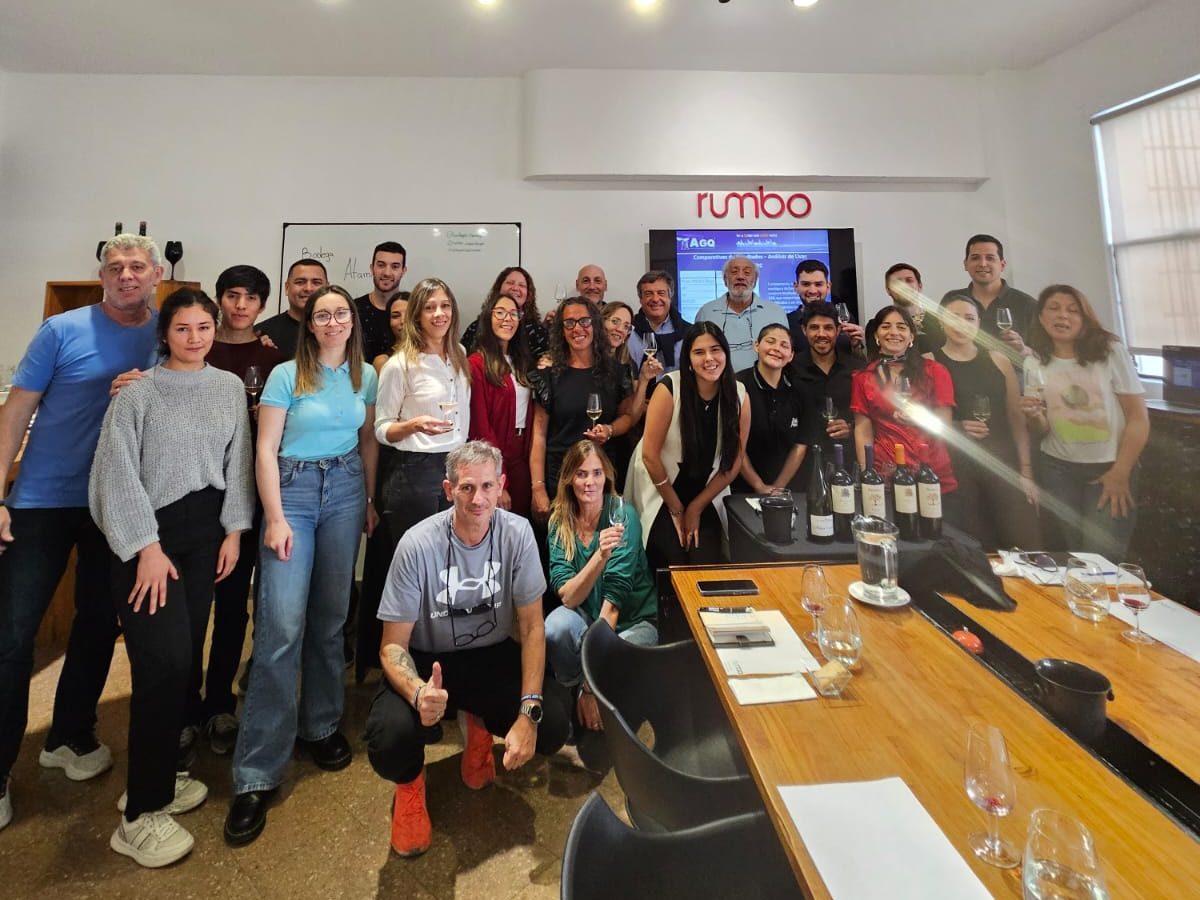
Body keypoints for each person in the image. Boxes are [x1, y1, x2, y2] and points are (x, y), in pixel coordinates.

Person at [0, 234, 161, 834]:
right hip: (42, 500)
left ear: (156, 274)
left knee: (97, 623)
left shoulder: (167, 333)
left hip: (113, 503)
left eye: (137, 266)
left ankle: (68, 735)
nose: (126, 275)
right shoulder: (61, 330)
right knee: (13, 636)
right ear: (101, 276)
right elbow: (15, 413)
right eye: (115, 267)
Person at [90, 288, 254, 867]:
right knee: (161, 667)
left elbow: (238, 463)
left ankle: (159, 774)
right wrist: (147, 547)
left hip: (205, 534)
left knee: (183, 660)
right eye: (182, 328)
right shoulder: (137, 393)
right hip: (148, 539)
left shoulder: (228, 388)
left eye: (203, 327)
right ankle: (139, 814)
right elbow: (113, 475)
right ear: (165, 334)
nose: (194, 338)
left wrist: (234, 530)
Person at [226, 285, 379, 847]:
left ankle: (320, 725)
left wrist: (367, 499)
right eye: (322, 315)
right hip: (291, 491)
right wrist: (274, 517)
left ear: (351, 322)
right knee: (281, 627)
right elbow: (265, 449)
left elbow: (368, 442)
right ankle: (257, 771)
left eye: (341, 313)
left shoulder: (366, 376)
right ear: (310, 325)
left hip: (345, 490)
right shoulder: (287, 374)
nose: (333, 321)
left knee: (330, 618)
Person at [365, 441, 571, 858]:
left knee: (551, 724)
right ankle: (410, 785)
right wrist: (418, 693)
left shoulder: (518, 534)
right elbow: (391, 647)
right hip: (427, 663)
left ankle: (478, 723)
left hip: (489, 657)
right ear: (448, 490)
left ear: (501, 486)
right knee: (388, 739)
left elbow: (533, 627)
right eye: (466, 488)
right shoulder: (416, 545)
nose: (478, 498)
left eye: (487, 486)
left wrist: (528, 713)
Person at [195, 265, 283, 756]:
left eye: (251, 298)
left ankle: (219, 705)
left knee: (232, 607)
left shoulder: (273, 357)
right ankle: (184, 707)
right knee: (189, 609)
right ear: (219, 299)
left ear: (262, 305)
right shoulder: (197, 347)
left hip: (247, 493)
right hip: (196, 493)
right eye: (232, 295)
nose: (241, 305)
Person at [1020, 285, 1148, 559]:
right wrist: (1034, 416)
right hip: (1057, 468)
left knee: (1101, 558)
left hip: (1109, 468)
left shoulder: (1110, 352)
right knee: (1071, 555)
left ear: (1085, 317)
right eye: (1054, 308)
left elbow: (1138, 418)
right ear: (1041, 317)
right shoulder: (1034, 362)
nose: (1062, 316)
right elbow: (1042, 429)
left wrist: (1121, 472)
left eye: (1072, 310)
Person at [546, 441, 657, 736]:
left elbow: (613, 605)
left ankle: (593, 696)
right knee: (556, 627)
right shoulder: (560, 521)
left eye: (596, 473)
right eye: (581, 474)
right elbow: (568, 597)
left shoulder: (623, 516)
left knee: (620, 659)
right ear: (569, 479)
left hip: (631, 620)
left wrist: (590, 687)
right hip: (586, 613)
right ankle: (573, 695)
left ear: (606, 476)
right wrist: (599, 556)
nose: (590, 482)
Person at [626, 323, 750, 571]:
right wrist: (676, 508)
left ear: (726, 353)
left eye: (715, 350)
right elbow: (650, 456)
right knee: (671, 558)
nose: (709, 359)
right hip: (662, 488)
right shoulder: (669, 388)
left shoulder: (739, 394)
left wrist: (695, 507)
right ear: (689, 360)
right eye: (699, 352)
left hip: (706, 492)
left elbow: (734, 461)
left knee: (705, 561)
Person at [931, 295, 1040, 550]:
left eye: (969, 318)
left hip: (1002, 462)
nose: (962, 324)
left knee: (1026, 543)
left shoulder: (999, 360)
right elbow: (921, 421)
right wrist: (957, 426)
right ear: (941, 322)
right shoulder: (929, 361)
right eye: (954, 317)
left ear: (979, 323)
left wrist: (1026, 472)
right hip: (956, 467)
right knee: (973, 547)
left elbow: (1016, 417)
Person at [530, 297, 635, 523]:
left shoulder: (617, 373)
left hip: (604, 475)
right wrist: (537, 487)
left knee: (605, 540)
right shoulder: (548, 376)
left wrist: (609, 430)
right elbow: (538, 437)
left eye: (584, 321)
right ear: (561, 330)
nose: (577, 329)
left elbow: (627, 417)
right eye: (569, 323)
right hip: (561, 478)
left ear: (595, 325)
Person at [851, 306, 958, 510]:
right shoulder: (863, 378)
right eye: (886, 326)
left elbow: (945, 426)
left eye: (901, 327)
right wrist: (867, 475)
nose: (893, 332)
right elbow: (863, 431)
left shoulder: (935, 371)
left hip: (931, 470)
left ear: (911, 337)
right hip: (885, 473)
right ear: (876, 336)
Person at [467, 293, 536, 517]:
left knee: (522, 523)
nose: (508, 319)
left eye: (514, 314)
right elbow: (480, 425)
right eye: (500, 312)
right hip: (495, 456)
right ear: (488, 317)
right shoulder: (476, 364)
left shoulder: (523, 362)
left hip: (522, 456)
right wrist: (497, 477)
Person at [733, 324, 809, 495]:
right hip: (741, 487)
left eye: (784, 345)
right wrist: (758, 485)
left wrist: (778, 487)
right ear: (756, 345)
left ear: (791, 356)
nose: (776, 348)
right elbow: (734, 444)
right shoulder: (737, 385)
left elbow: (801, 444)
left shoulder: (800, 389)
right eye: (770, 341)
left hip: (789, 488)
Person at [792, 303, 863, 483]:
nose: (821, 334)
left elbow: (872, 415)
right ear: (804, 330)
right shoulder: (790, 370)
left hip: (848, 461)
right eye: (814, 327)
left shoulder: (857, 369)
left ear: (838, 331)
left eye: (828, 328)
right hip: (803, 466)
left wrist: (851, 427)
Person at [939, 234, 1035, 357]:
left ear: (1002, 265)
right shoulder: (951, 299)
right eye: (975, 258)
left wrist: (1024, 350)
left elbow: (1047, 357)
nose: (983, 264)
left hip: (1011, 370)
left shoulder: (1027, 304)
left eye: (990, 258)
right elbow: (937, 341)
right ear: (965, 264)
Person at [601, 301, 662, 489]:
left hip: (616, 444)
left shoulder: (627, 365)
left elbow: (630, 415)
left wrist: (643, 381)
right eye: (615, 321)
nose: (620, 329)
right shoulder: (586, 362)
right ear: (600, 322)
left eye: (626, 326)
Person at [694, 256, 789, 373]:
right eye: (734, 272)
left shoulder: (775, 313)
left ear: (755, 279)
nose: (740, 277)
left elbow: (784, 354)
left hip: (761, 383)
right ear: (725, 279)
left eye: (747, 272)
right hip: (718, 381)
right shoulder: (706, 312)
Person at [461, 266, 549, 359]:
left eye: (522, 285)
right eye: (510, 283)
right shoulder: (476, 327)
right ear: (499, 288)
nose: (515, 288)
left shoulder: (537, 331)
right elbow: (461, 358)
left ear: (528, 293)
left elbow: (545, 360)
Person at [785, 260, 864, 354]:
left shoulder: (844, 318)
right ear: (796, 287)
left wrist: (856, 345)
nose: (813, 290)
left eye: (818, 284)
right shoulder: (786, 322)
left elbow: (855, 358)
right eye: (806, 284)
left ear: (828, 287)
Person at [256, 259, 328, 360]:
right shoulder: (262, 335)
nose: (308, 288)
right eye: (300, 282)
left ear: (327, 288)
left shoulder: (339, 331)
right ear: (287, 287)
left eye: (316, 282)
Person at [353, 242, 408, 363]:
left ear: (403, 271)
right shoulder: (353, 309)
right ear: (372, 268)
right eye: (381, 265)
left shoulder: (415, 310)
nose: (387, 273)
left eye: (395, 266)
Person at [627, 270, 691, 375]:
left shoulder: (688, 333)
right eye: (648, 294)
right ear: (640, 299)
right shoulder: (627, 331)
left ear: (670, 296)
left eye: (661, 293)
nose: (655, 299)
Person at [885, 263, 944, 355]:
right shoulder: (878, 324)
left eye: (909, 280)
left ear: (920, 286)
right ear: (888, 290)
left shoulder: (939, 321)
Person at [372, 292, 409, 375]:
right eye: (395, 316)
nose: (403, 321)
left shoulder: (434, 354)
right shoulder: (382, 362)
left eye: (409, 315)